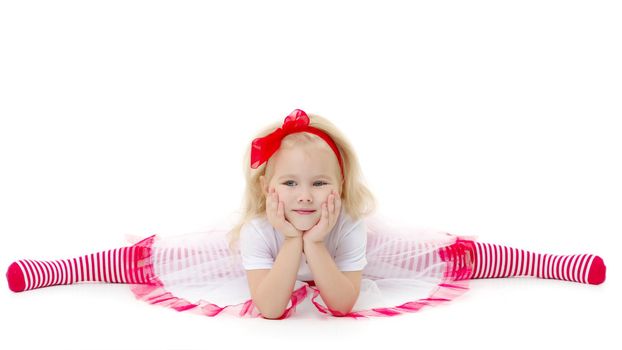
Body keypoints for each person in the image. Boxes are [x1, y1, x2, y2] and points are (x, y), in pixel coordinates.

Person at [5, 109, 607, 320]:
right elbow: (269, 308)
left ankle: (551, 262)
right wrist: (289, 241)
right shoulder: (260, 227)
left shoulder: (342, 220)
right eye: (290, 183)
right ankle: (56, 269)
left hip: (343, 251)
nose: (304, 195)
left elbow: (343, 301)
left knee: (446, 252)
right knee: (161, 258)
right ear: (267, 187)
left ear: (340, 187)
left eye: (320, 183)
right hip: (260, 256)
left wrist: (319, 238)